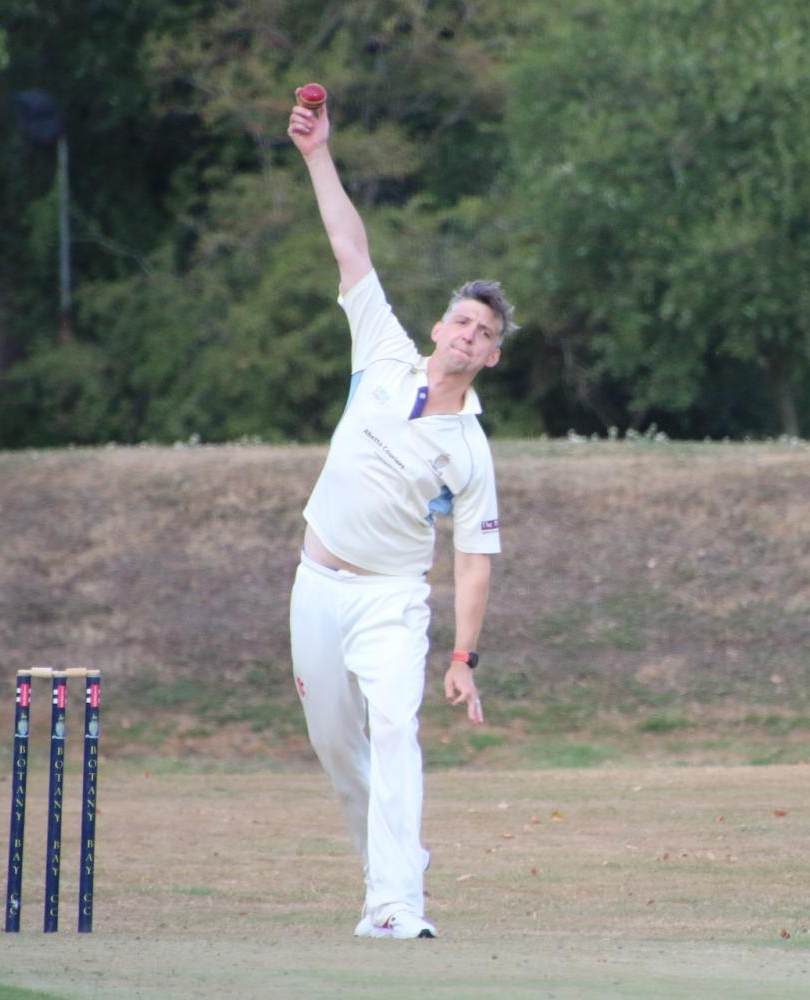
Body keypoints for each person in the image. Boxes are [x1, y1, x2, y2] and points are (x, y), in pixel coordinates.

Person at [285, 92, 514, 940]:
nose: (467, 333)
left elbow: (474, 558)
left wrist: (462, 655)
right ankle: (394, 866)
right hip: (318, 581)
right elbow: (350, 244)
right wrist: (317, 155)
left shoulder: (469, 446)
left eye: (483, 330)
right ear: (437, 327)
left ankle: (395, 905)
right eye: (460, 318)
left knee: (394, 734)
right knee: (341, 755)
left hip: (390, 598)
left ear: (492, 356)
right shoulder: (380, 349)